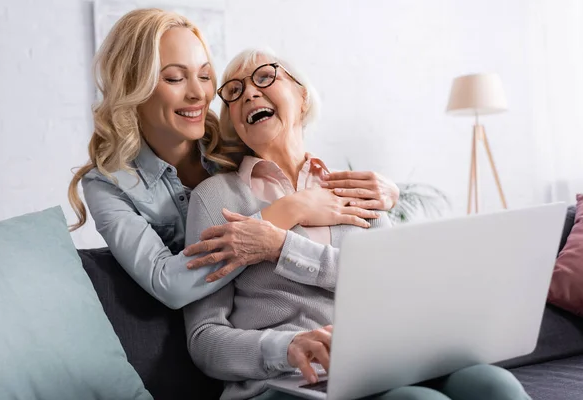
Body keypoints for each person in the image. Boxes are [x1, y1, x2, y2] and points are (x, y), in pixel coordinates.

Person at [183, 48, 533, 400]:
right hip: (286, 382)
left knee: (493, 384)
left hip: (381, 366)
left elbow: (396, 284)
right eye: (234, 91)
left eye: (264, 77)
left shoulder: (356, 189)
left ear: (302, 96)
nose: (250, 94)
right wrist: (286, 346)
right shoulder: (216, 198)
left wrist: (283, 249)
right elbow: (204, 338)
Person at [67, 8, 400, 310]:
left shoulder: (234, 144)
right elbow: (166, 283)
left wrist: (391, 194)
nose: (199, 93)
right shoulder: (106, 185)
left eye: (204, 74)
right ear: (133, 87)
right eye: (174, 77)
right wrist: (289, 210)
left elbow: (291, 157)